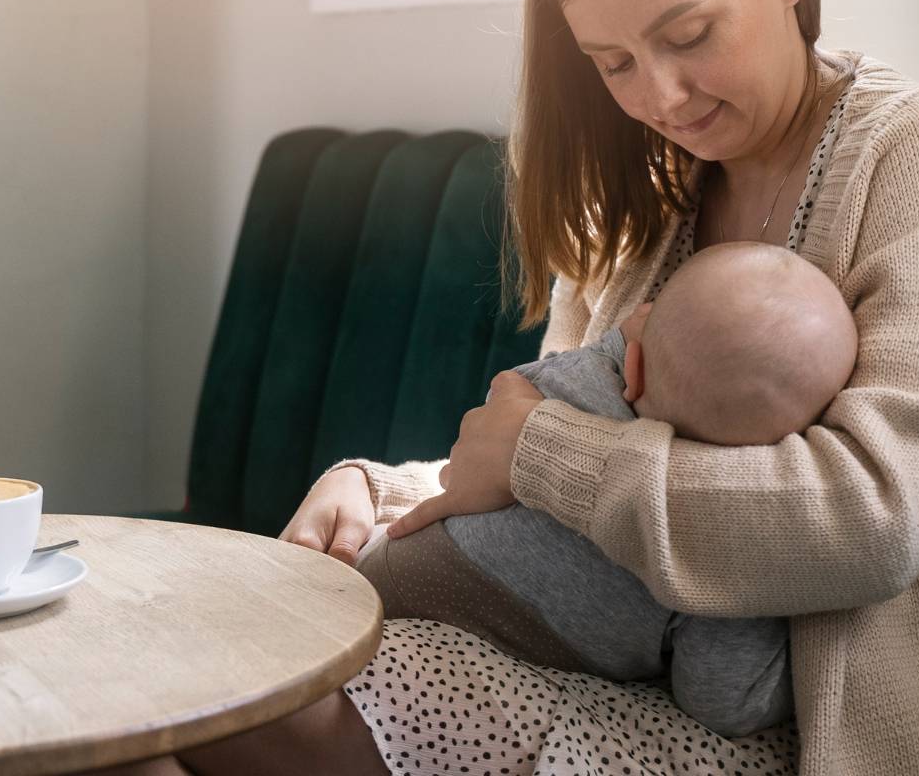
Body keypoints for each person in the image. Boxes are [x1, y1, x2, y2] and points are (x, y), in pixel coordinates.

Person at [111, 0, 919, 776]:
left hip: (784, 732)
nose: (663, 96)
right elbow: (558, 448)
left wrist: (540, 452)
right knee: (150, 701)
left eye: (688, 33)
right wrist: (376, 487)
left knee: (227, 707)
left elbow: (871, 518)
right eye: (615, 64)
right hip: (591, 658)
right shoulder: (660, 191)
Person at [354, 241, 859, 739]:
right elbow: (724, 703)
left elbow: (506, 399)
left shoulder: (583, 381)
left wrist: (629, 339)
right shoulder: (719, 559)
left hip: (394, 570)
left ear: (633, 366)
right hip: (467, 661)